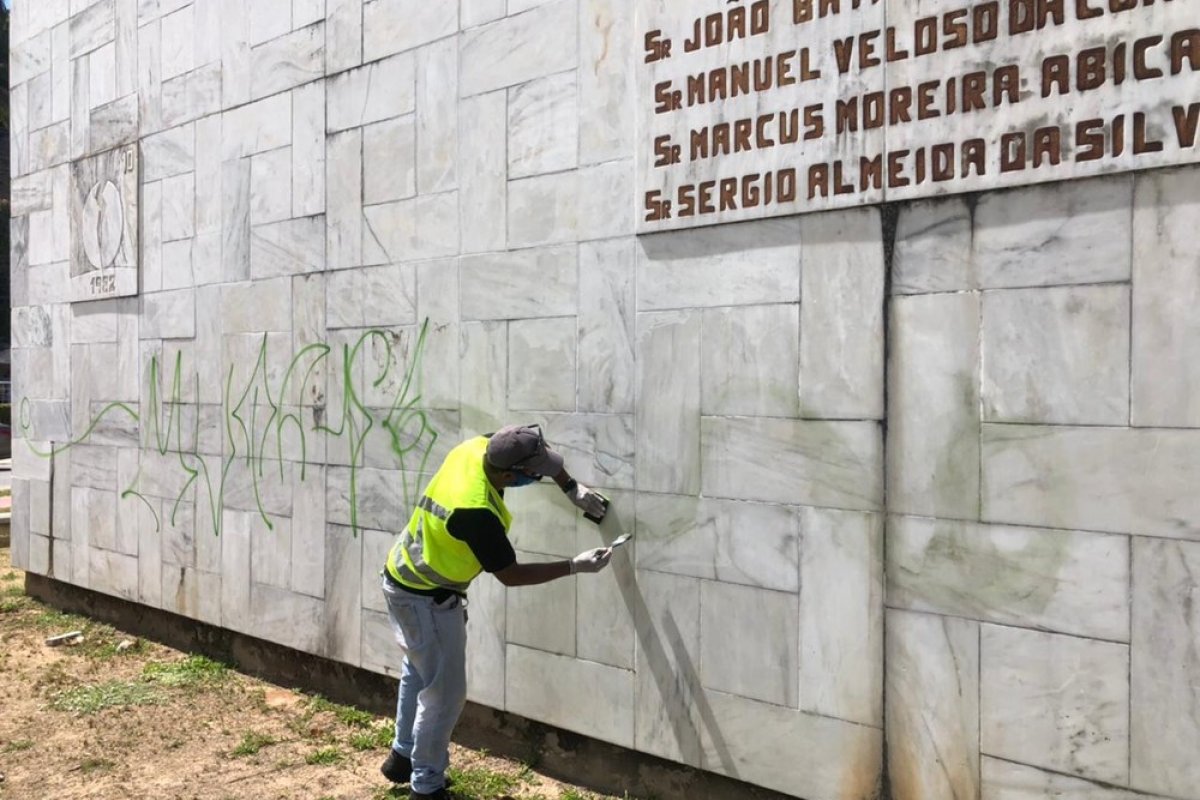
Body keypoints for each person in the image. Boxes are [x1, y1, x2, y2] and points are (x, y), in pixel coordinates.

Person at [378, 423, 613, 800]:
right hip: (424, 596)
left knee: (419, 671)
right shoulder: (474, 511)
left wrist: (571, 489)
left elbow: (531, 454)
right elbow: (511, 575)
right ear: (507, 475)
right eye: (532, 475)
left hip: (403, 573)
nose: (540, 477)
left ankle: (402, 757)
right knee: (445, 693)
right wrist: (574, 565)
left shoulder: (478, 447)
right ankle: (426, 787)